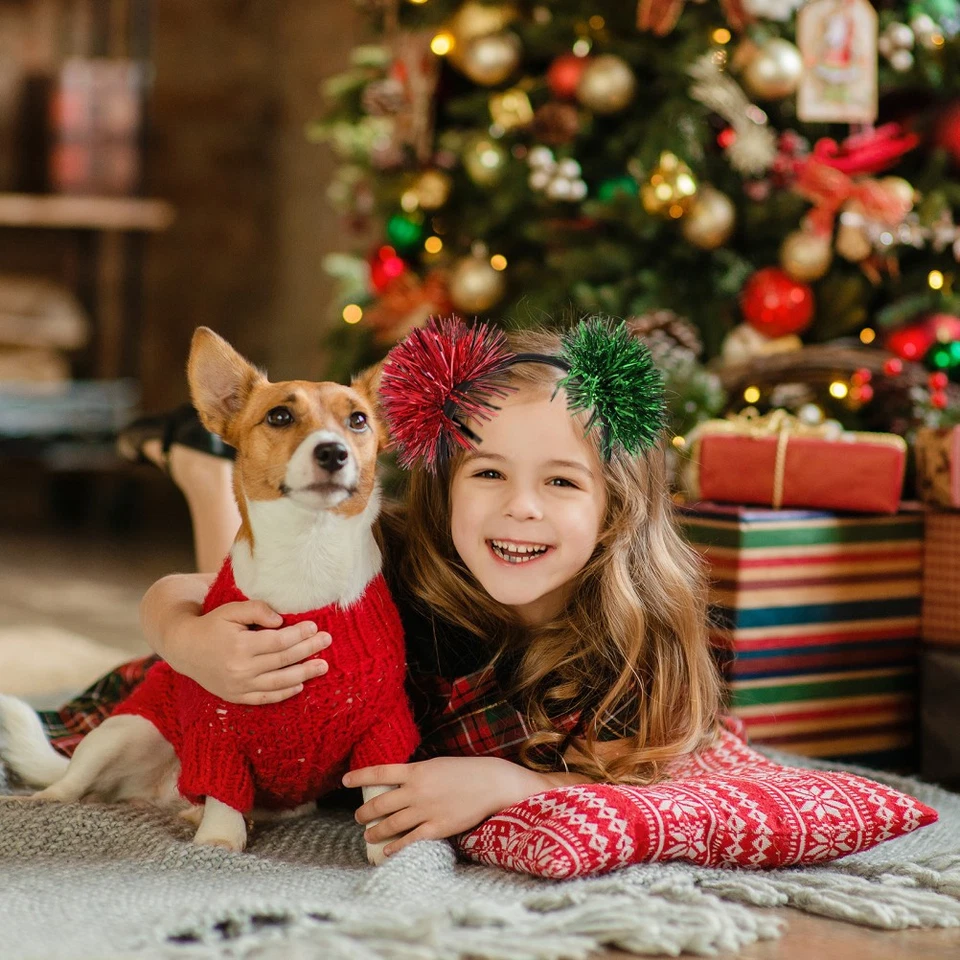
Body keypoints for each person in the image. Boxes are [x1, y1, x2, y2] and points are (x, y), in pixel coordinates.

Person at [37, 321, 722, 858]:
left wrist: (518, 784)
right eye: (487, 473)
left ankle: (198, 463)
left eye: (562, 481)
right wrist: (183, 638)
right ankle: (206, 470)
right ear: (444, 480)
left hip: (326, 760)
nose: (521, 507)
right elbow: (185, 592)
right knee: (265, 572)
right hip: (229, 699)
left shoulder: (639, 651)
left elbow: (655, 788)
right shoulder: (405, 551)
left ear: (619, 506)